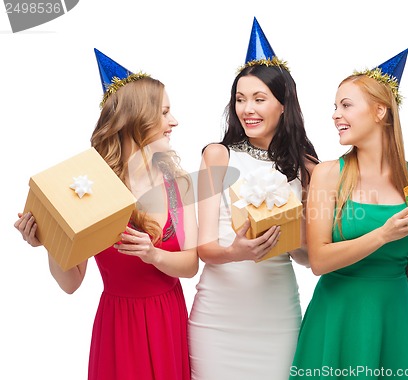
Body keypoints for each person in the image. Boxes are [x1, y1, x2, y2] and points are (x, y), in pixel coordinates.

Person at [289, 48, 408, 379]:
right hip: (338, 316)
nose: (335, 115)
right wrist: (383, 234)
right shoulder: (329, 174)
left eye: (346, 105)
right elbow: (318, 261)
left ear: (380, 112)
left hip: (394, 316)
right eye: (335, 106)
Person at [14, 48, 198, 380]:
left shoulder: (177, 183)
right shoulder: (93, 188)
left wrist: (153, 254)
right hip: (120, 324)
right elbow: (71, 284)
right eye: (165, 113)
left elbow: (190, 265)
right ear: (137, 120)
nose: (174, 121)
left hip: (167, 317)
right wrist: (52, 241)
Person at [188, 17, 319, 380]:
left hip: (277, 315)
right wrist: (238, 252)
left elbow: (308, 257)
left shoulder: (307, 167)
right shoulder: (218, 155)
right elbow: (205, 248)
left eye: (260, 99)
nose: (247, 109)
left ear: (283, 104)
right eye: (240, 99)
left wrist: (292, 242)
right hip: (218, 317)